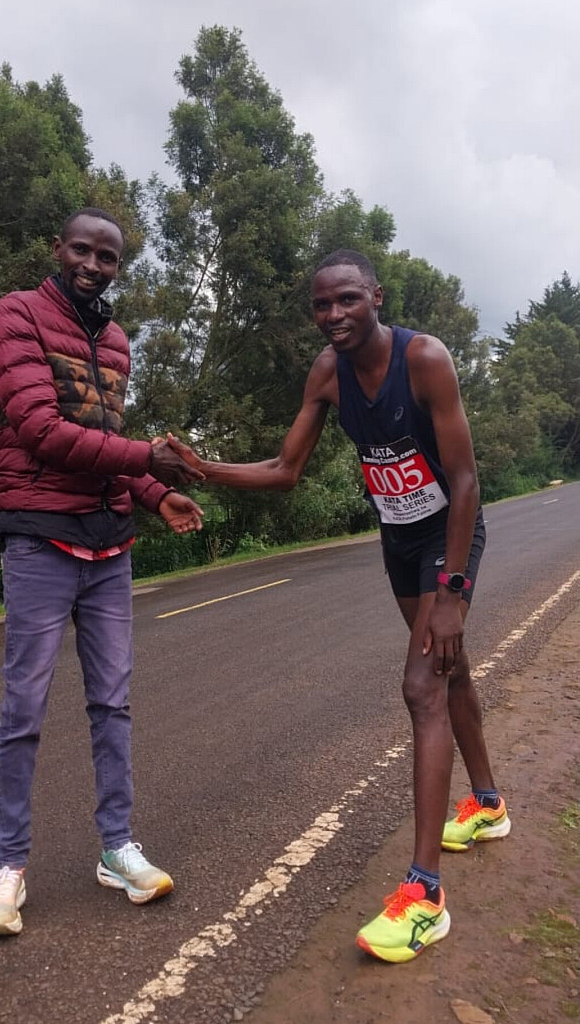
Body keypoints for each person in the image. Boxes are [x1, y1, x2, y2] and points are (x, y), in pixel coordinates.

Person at [165, 249, 511, 963]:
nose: (334, 314)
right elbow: (284, 470)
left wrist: (452, 591)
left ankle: (424, 895)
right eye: (322, 305)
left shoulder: (425, 360)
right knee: (448, 669)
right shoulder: (327, 373)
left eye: (347, 299)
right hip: (398, 537)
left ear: (376, 297)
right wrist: (203, 469)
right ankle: (487, 805)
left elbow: (467, 481)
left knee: (422, 685)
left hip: (447, 534)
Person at [0, 207, 204, 938]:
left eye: (107, 257)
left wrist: (155, 493)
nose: (93, 265)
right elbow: (41, 431)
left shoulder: (116, 341)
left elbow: (105, 445)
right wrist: (147, 459)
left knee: (112, 704)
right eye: (82, 250)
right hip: (40, 539)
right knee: (24, 711)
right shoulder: (16, 315)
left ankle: (117, 848)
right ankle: (9, 867)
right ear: (59, 248)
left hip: (110, 547)